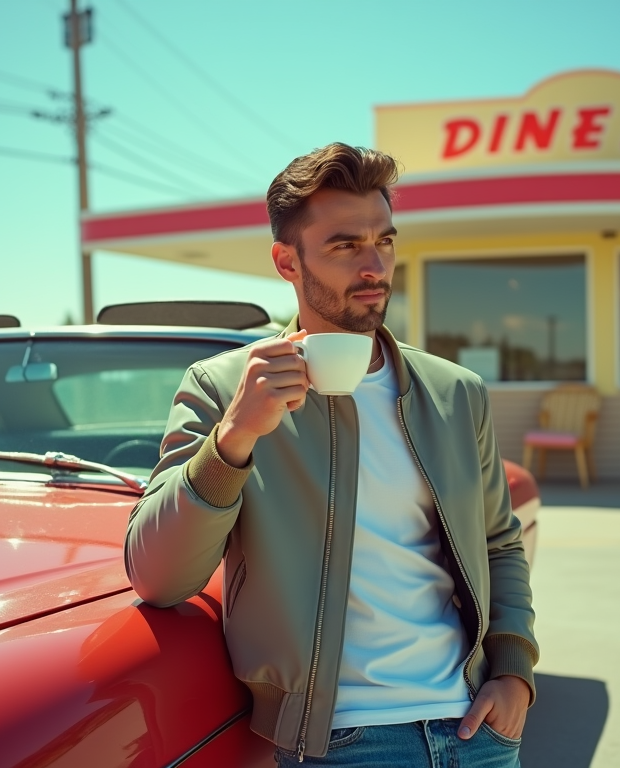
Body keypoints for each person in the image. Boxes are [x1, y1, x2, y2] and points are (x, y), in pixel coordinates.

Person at [125, 143, 538, 767]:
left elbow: (499, 544)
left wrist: (513, 672)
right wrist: (235, 437)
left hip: (474, 728)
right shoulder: (222, 387)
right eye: (346, 245)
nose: (375, 265)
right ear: (286, 261)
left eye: (386, 241)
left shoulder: (455, 393)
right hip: (339, 743)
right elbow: (158, 578)